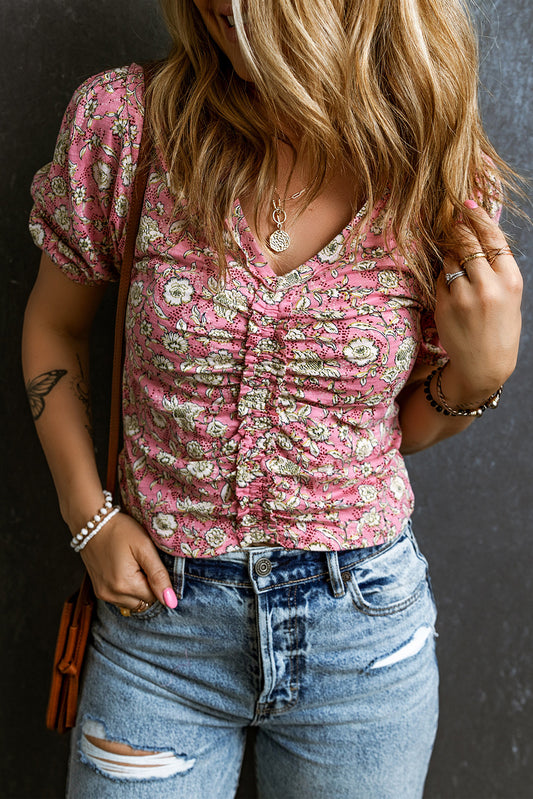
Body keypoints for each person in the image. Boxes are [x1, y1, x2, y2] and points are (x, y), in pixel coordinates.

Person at [22, 1, 522, 797]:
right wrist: (88, 517)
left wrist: (479, 378)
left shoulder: (434, 163)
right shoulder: (125, 123)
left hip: (363, 638)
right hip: (161, 633)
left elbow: (394, 430)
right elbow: (52, 327)